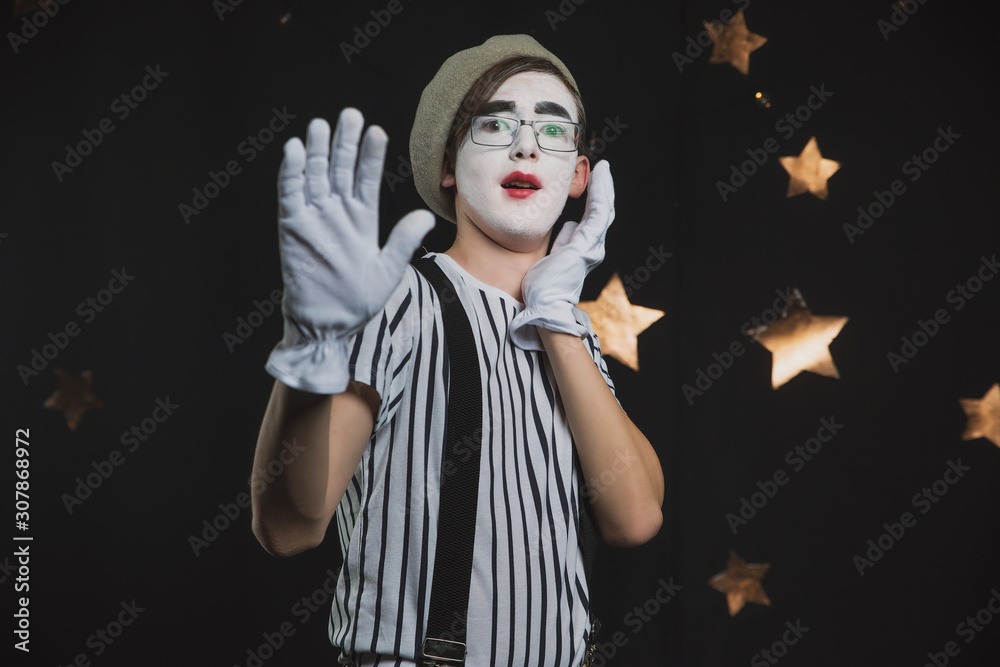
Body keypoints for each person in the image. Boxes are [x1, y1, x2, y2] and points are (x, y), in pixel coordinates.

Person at [250, 34, 664, 667]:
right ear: (448, 165)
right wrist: (310, 355)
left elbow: (635, 518)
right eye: (495, 124)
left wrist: (556, 317)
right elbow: (288, 529)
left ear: (580, 175)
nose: (526, 146)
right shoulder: (396, 301)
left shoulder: (571, 332)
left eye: (553, 130)